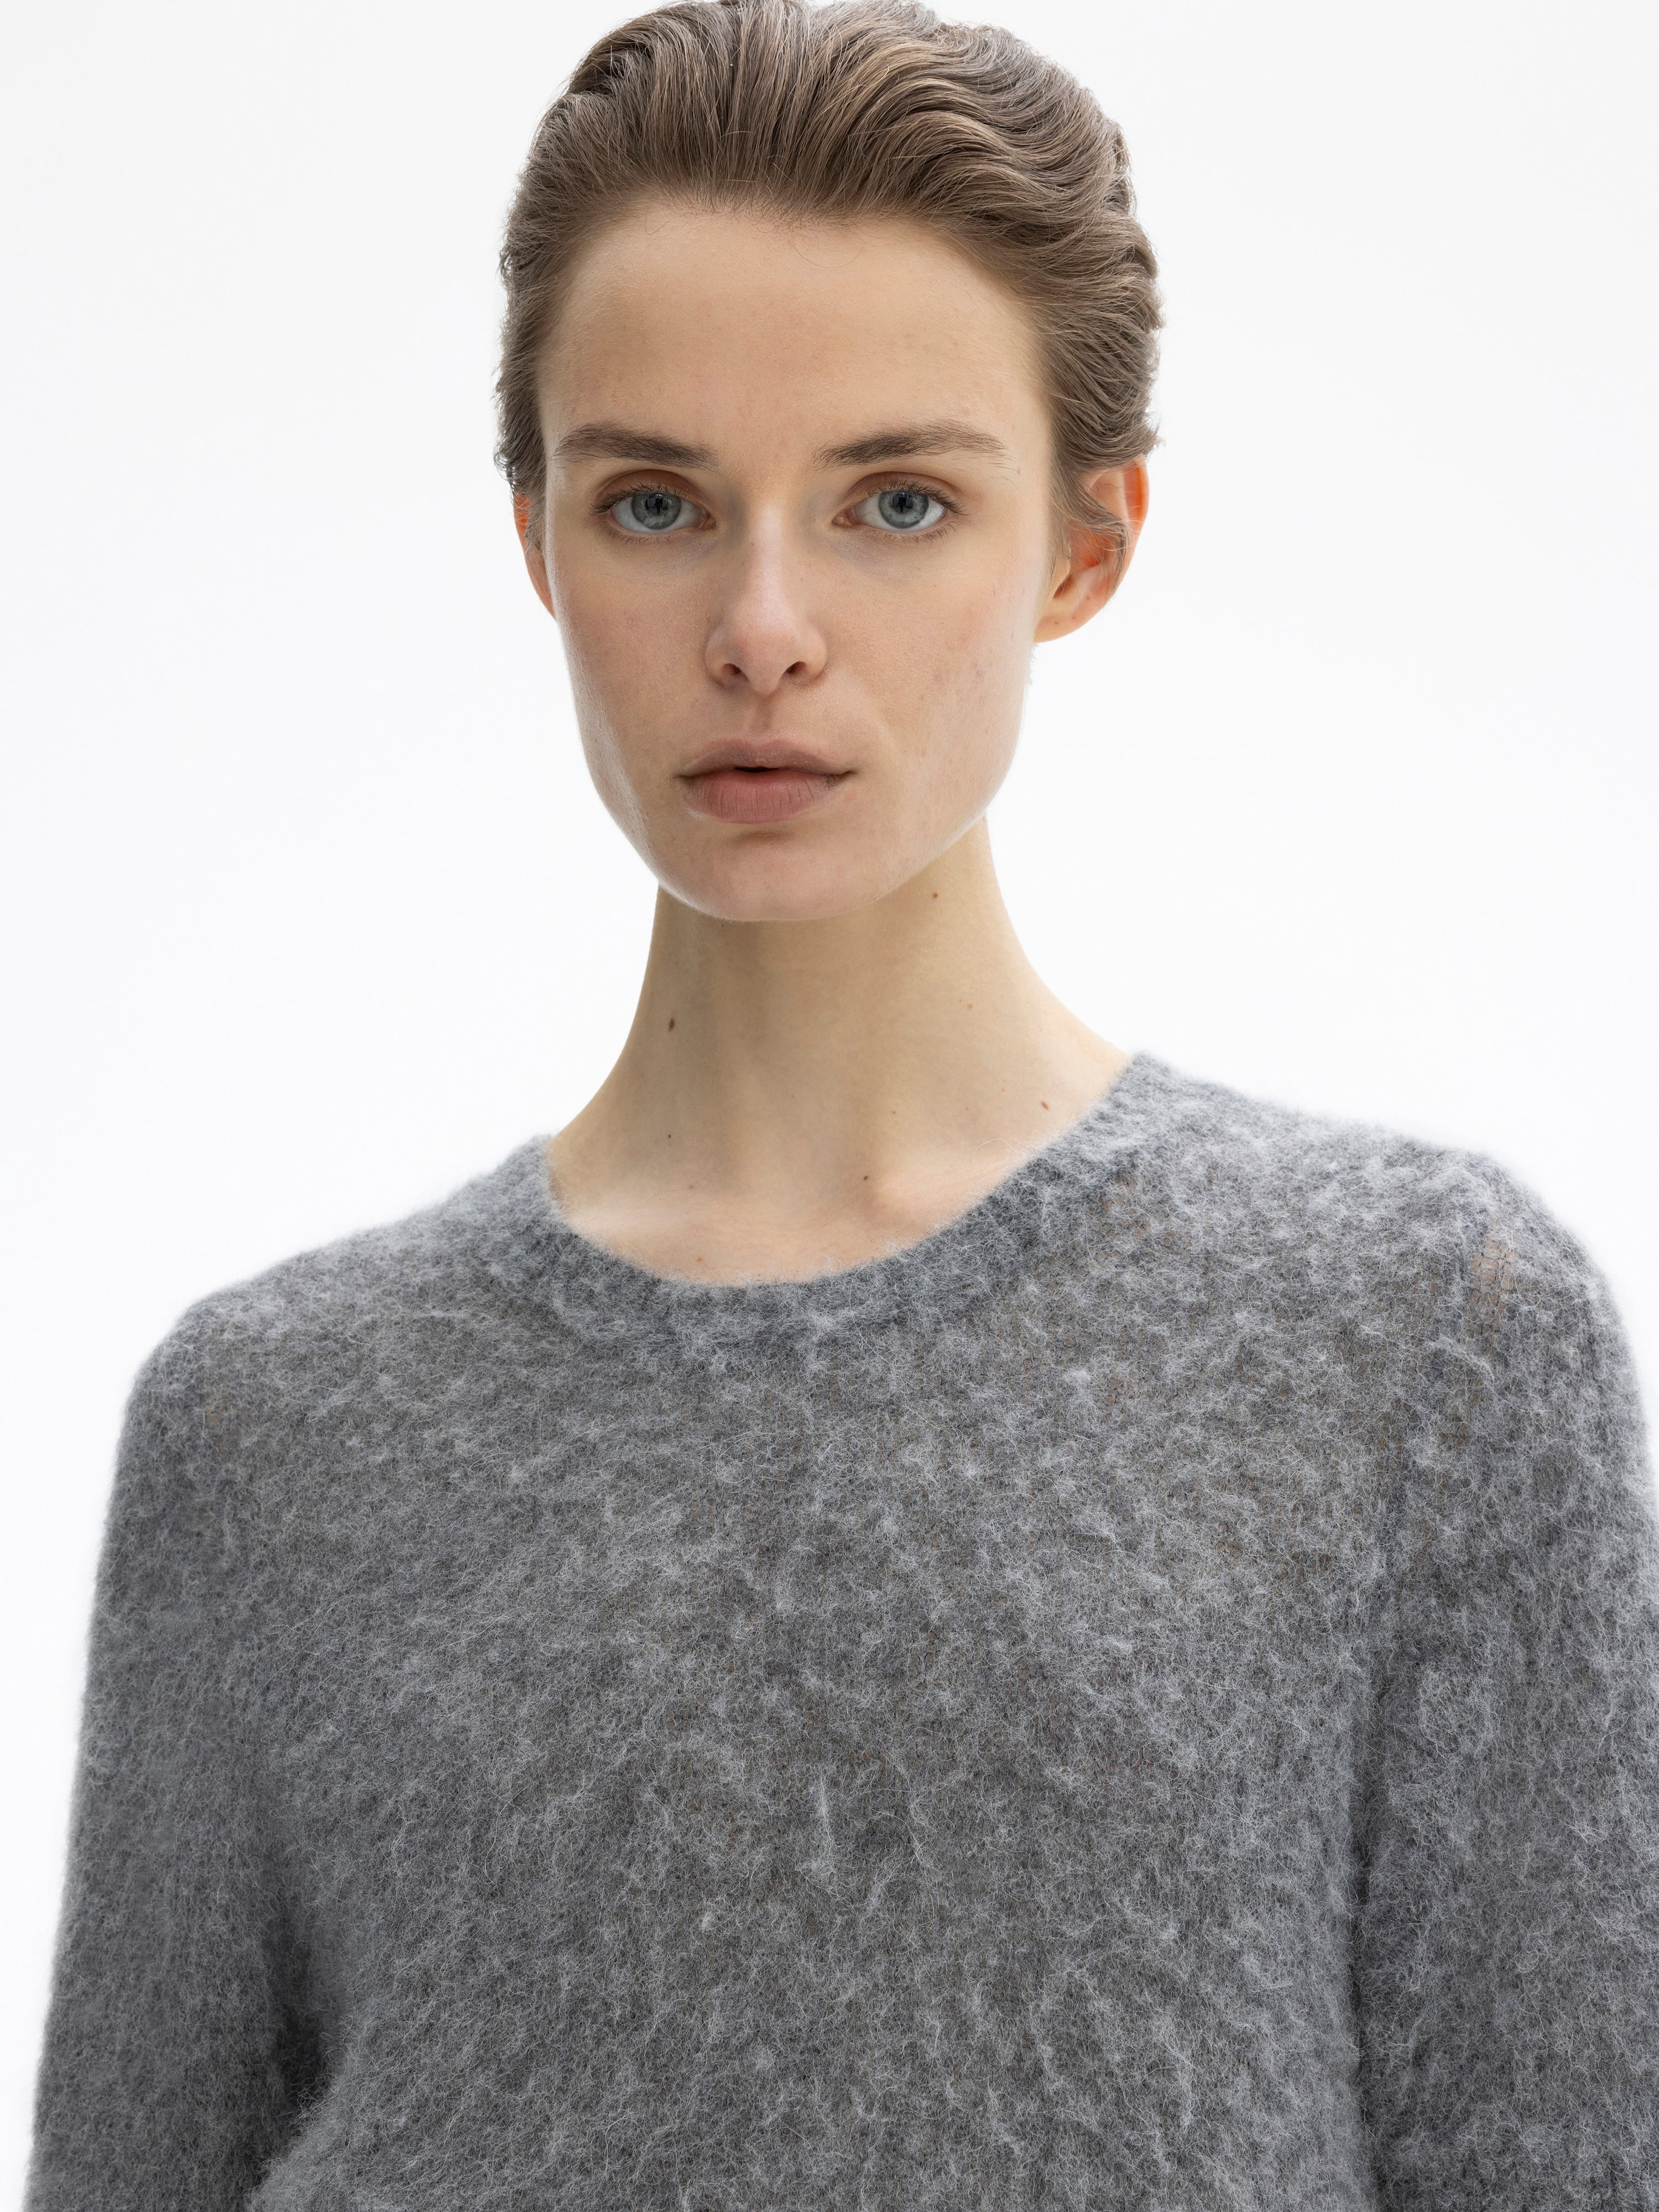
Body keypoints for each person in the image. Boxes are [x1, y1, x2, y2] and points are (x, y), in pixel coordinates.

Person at [25, 0, 1659, 2204]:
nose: (764, 625)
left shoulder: (1431, 1349)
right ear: (539, 542)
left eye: (897, 502)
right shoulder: (267, 1432)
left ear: (1085, 544)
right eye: (656, 503)